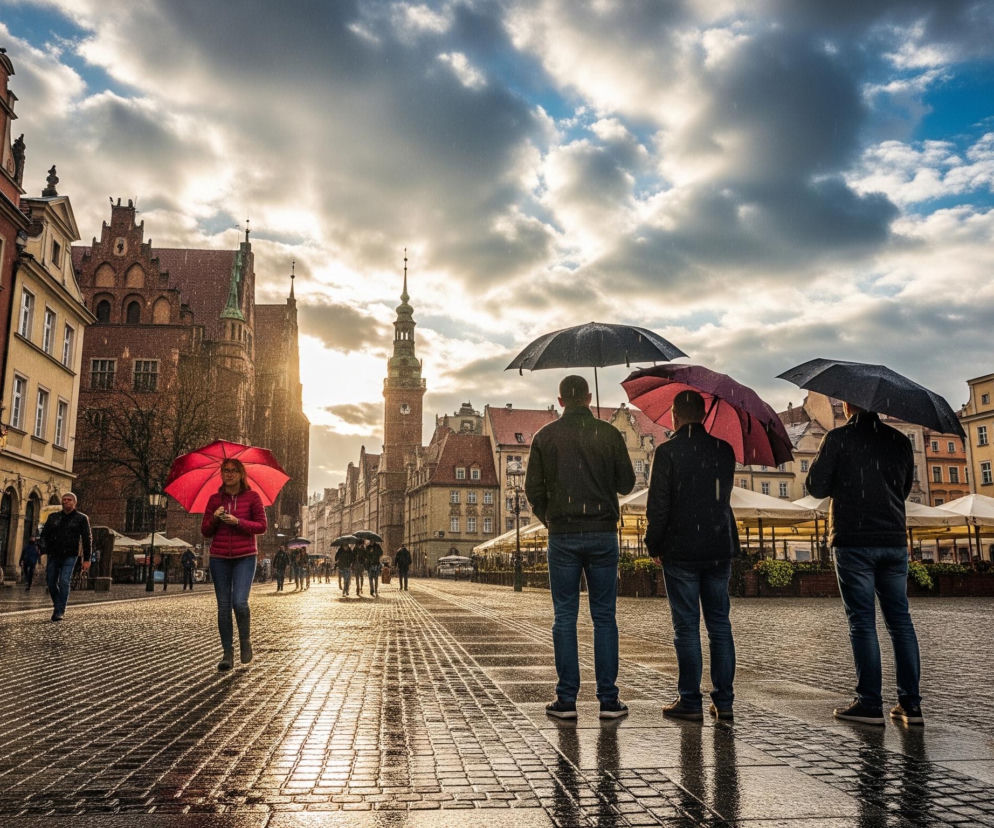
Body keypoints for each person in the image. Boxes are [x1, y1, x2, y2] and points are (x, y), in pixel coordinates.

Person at [525, 374, 636, 720]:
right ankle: (608, 700)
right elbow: (627, 483)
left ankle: (567, 699)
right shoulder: (609, 433)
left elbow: (533, 490)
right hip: (603, 532)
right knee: (604, 617)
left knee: (565, 617)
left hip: (563, 536)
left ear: (560, 401)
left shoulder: (545, 436)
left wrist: (553, 519)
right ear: (589, 398)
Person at [806, 401, 923, 726]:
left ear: (847, 404)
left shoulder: (839, 438)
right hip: (892, 538)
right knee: (900, 622)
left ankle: (869, 703)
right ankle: (911, 705)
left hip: (854, 539)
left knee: (862, 622)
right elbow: (902, 489)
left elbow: (815, 487)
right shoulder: (900, 441)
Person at [644, 390, 738, 721]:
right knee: (719, 625)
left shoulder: (667, 452)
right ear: (702, 415)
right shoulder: (724, 451)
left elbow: (658, 505)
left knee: (686, 626)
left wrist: (653, 544)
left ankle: (690, 700)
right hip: (717, 548)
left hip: (681, 549)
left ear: (675, 415)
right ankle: (724, 701)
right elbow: (721, 498)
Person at [201, 458, 267, 671]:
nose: (229, 474)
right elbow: (205, 531)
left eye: (233, 471)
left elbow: (261, 526)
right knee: (223, 607)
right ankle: (227, 653)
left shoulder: (252, 497)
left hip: (245, 556)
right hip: (219, 557)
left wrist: (238, 522)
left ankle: (245, 640)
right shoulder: (214, 500)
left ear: (241, 475)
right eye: (225, 471)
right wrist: (215, 518)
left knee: (239, 602)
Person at [39, 492, 92, 621]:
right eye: (64, 500)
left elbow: (87, 539)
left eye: (69, 500)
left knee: (64, 581)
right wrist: (43, 550)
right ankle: (58, 605)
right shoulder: (53, 517)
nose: (66, 502)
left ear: (74, 503)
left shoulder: (81, 518)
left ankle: (59, 611)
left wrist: (87, 559)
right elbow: (44, 535)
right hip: (54, 554)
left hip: (70, 555)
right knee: (51, 582)